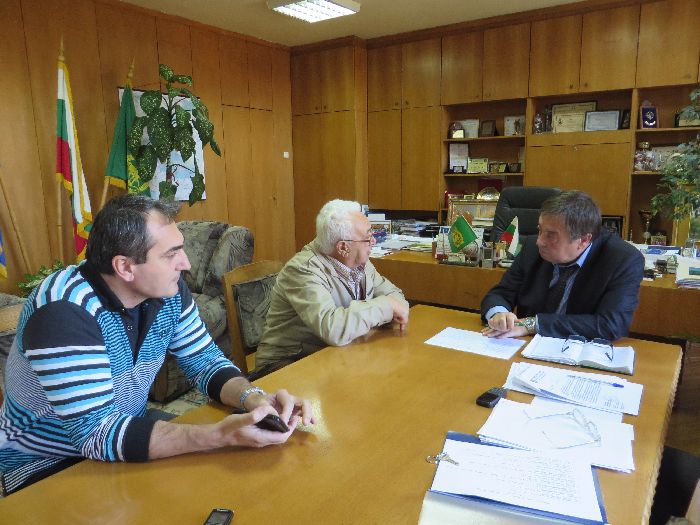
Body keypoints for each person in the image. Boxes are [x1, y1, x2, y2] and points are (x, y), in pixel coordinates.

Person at [0, 195, 314, 496]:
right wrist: (220, 434)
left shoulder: (168, 293)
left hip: (126, 433)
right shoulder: (63, 310)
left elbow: (205, 362)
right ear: (125, 267)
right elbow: (95, 434)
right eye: (171, 254)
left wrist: (254, 399)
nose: (185, 263)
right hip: (44, 465)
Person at [254, 199, 409, 373]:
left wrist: (391, 310)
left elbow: (395, 297)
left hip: (335, 354)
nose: (373, 241)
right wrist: (386, 307)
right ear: (343, 247)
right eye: (367, 237)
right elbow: (332, 329)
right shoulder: (303, 270)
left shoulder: (359, 261)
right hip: (287, 364)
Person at [481, 190, 644, 341]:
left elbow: (611, 325)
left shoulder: (622, 260)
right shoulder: (532, 248)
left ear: (584, 240)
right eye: (540, 230)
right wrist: (499, 314)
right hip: (524, 346)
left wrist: (533, 324)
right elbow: (500, 293)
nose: (539, 241)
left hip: (578, 352)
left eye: (551, 236)